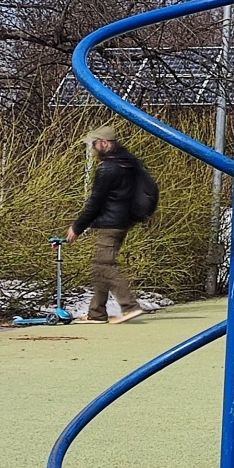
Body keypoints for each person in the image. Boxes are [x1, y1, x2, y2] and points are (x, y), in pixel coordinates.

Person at [67, 130, 158, 324]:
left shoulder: (108, 168)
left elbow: (95, 203)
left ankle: (130, 307)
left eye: (95, 144)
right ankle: (96, 313)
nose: (93, 148)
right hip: (123, 221)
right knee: (100, 266)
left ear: (106, 143)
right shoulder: (130, 163)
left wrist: (77, 227)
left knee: (104, 266)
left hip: (110, 223)